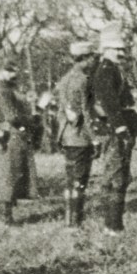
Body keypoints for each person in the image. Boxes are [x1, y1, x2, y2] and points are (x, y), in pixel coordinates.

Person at [91, 22, 137, 234]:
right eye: (117, 49)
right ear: (105, 50)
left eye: (122, 49)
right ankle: (111, 225)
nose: (121, 53)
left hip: (121, 129)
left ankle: (114, 223)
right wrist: (121, 128)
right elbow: (109, 103)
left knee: (120, 176)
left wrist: (136, 130)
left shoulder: (115, 70)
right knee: (115, 177)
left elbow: (128, 105)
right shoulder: (105, 72)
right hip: (114, 131)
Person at [0, 60, 39, 225]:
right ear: (1, 70)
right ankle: (4, 218)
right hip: (10, 135)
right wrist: (31, 120)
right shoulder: (1, 88)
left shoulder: (8, 88)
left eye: (15, 71)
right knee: (8, 175)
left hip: (14, 134)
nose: (14, 75)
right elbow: (12, 116)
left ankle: (6, 216)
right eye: (10, 71)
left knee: (12, 174)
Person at [54, 40, 99, 226]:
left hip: (66, 135)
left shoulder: (65, 79)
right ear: (84, 59)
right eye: (91, 58)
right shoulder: (83, 80)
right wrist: (95, 138)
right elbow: (86, 111)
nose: (93, 61)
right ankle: (75, 220)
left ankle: (69, 218)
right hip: (80, 136)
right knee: (80, 180)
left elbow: (62, 110)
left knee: (71, 179)